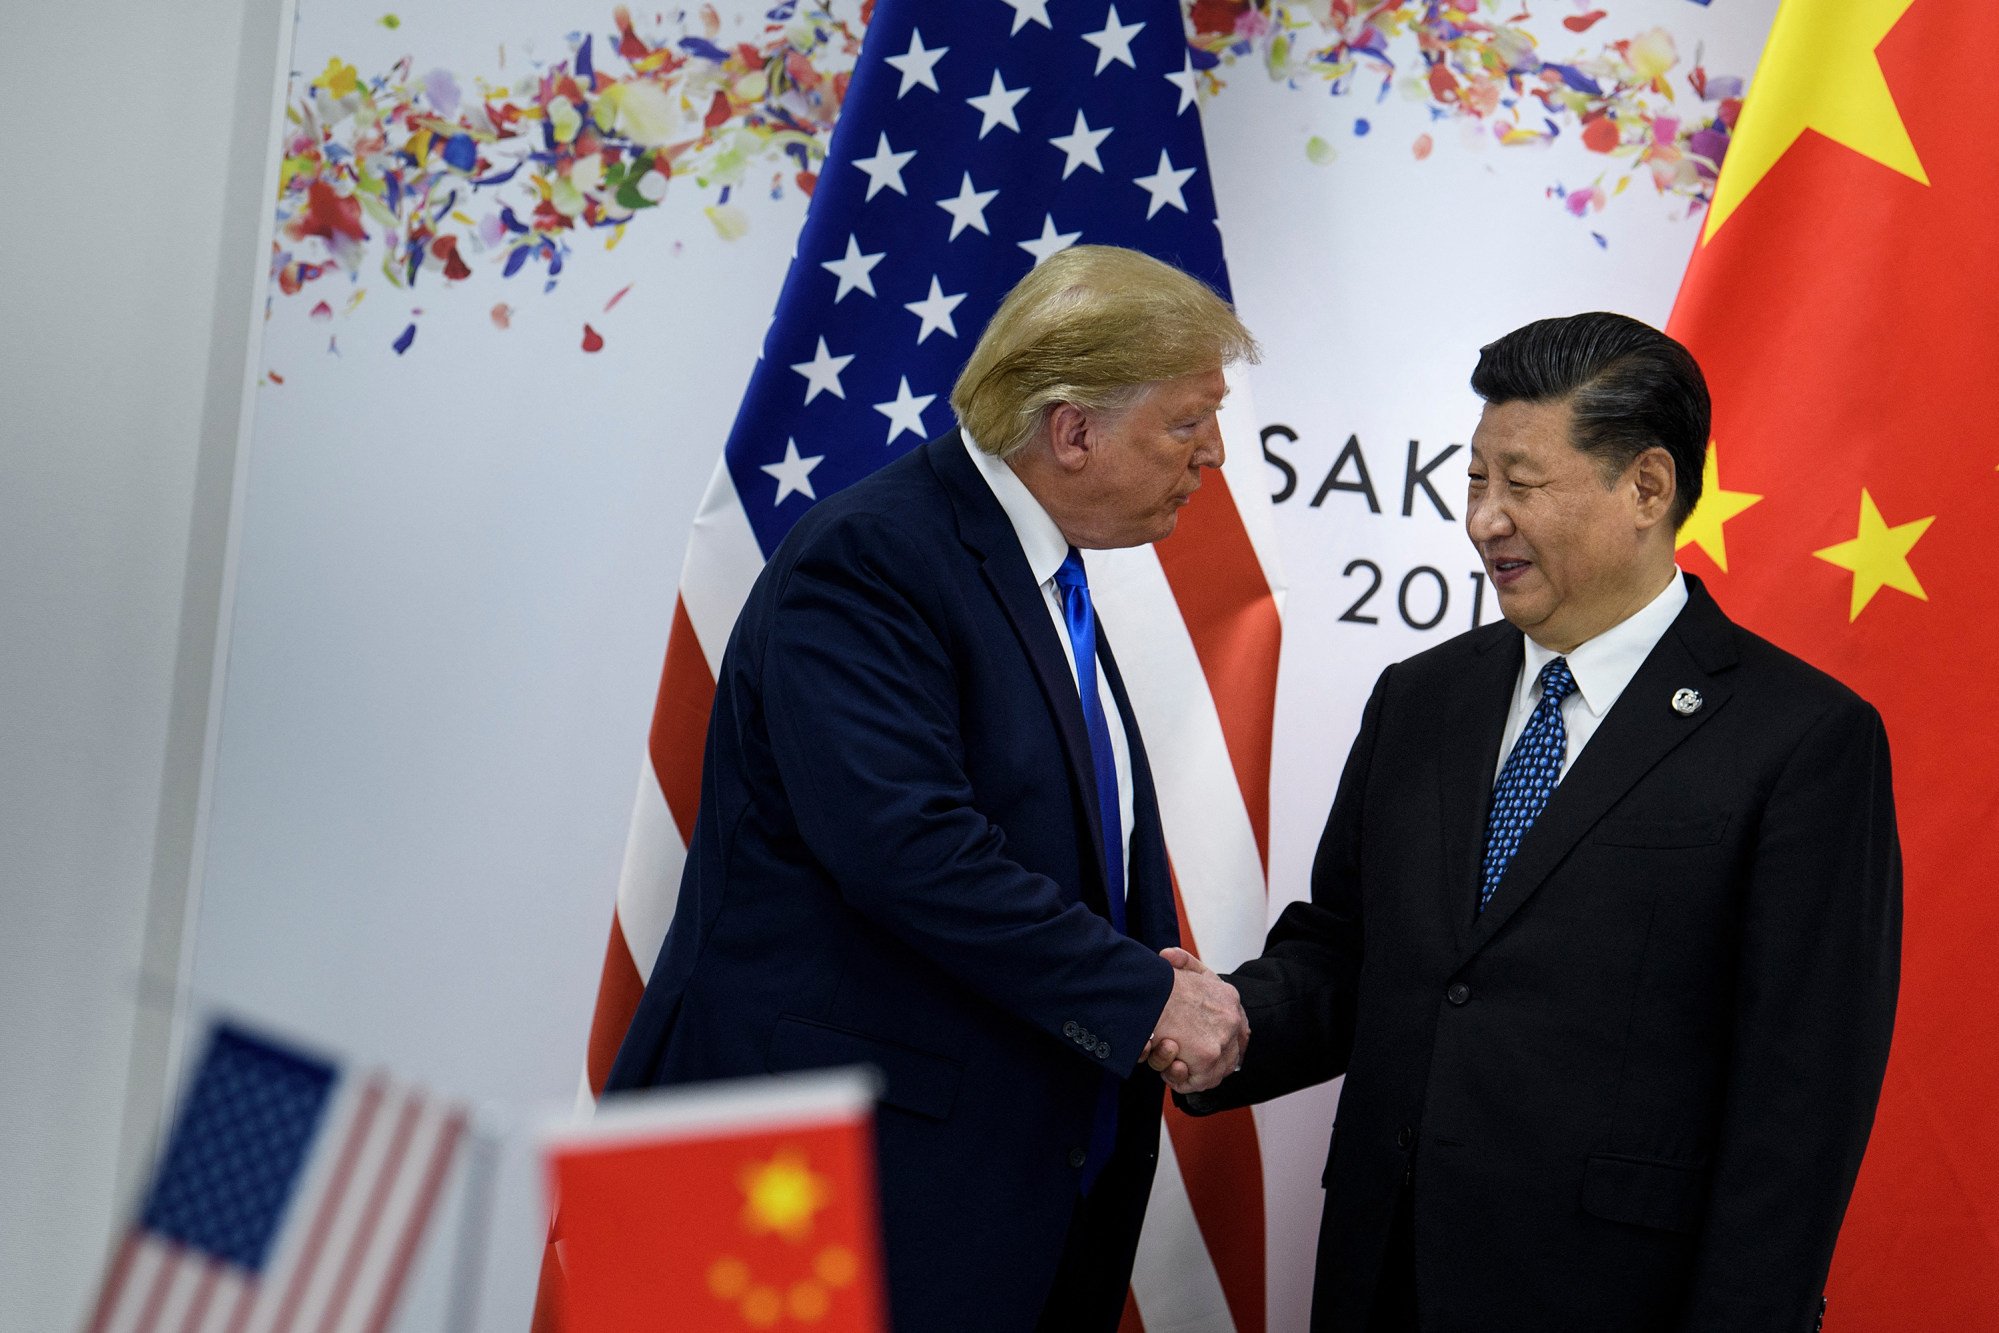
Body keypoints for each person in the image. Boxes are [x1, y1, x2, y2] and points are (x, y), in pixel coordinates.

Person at [1164, 312, 1901, 1331]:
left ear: (1645, 487)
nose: (1483, 520)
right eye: (1474, 480)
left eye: (1522, 483)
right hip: (1383, 1279)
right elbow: (1349, 953)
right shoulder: (1419, 700)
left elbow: (1800, 1101)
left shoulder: (1801, 740)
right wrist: (1229, 1023)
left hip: (1611, 1298)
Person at [603, 246, 1255, 1331]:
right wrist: (1142, 997)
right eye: (1186, 424)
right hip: (814, 1192)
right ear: (1073, 428)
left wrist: (1135, 970)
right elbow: (907, 848)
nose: (1214, 456)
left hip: (966, 1189)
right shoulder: (874, 558)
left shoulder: (1035, 571)